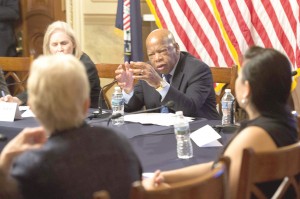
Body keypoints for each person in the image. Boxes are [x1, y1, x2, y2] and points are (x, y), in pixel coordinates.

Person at [143, 46, 298, 198]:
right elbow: (219, 168)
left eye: (240, 76)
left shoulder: (254, 136)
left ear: (247, 89)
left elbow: (222, 190)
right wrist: (166, 177)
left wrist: (164, 191)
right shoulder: (286, 123)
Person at [0, 54, 142, 199]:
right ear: (86, 104)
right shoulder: (121, 143)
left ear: (33, 108)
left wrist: (4, 161)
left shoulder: (30, 166)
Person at [115, 29, 220, 119]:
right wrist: (128, 90)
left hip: (198, 133)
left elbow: (190, 109)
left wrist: (159, 84)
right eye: (151, 54)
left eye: (162, 51)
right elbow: (133, 107)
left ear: (177, 48)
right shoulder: (148, 70)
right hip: (159, 135)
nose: (157, 58)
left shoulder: (198, 70)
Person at [0, 21, 105, 108]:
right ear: (49, 48)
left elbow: (69, 99)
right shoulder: (49, 64)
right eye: (55, 45)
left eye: (64, 43)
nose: (59, 49)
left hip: (93, 120)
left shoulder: (84, 65)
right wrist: (16, 100)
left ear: (73, 44)